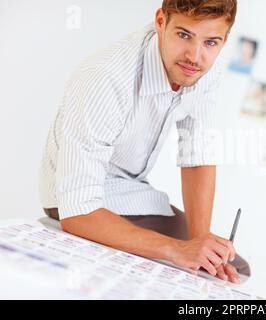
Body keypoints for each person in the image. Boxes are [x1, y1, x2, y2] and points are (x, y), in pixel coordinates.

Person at [39, 0, 249, 284]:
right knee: (192, 264)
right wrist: (179, 249)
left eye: (211, 42)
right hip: (78, 199)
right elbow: (77, 211)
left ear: (224, 40)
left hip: (132, 192)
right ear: (161, 21)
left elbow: (197, 155)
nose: (194, 56)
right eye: (184, 35)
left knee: (225, 267)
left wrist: (199, 248)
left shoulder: (203, 70)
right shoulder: (106, 77)